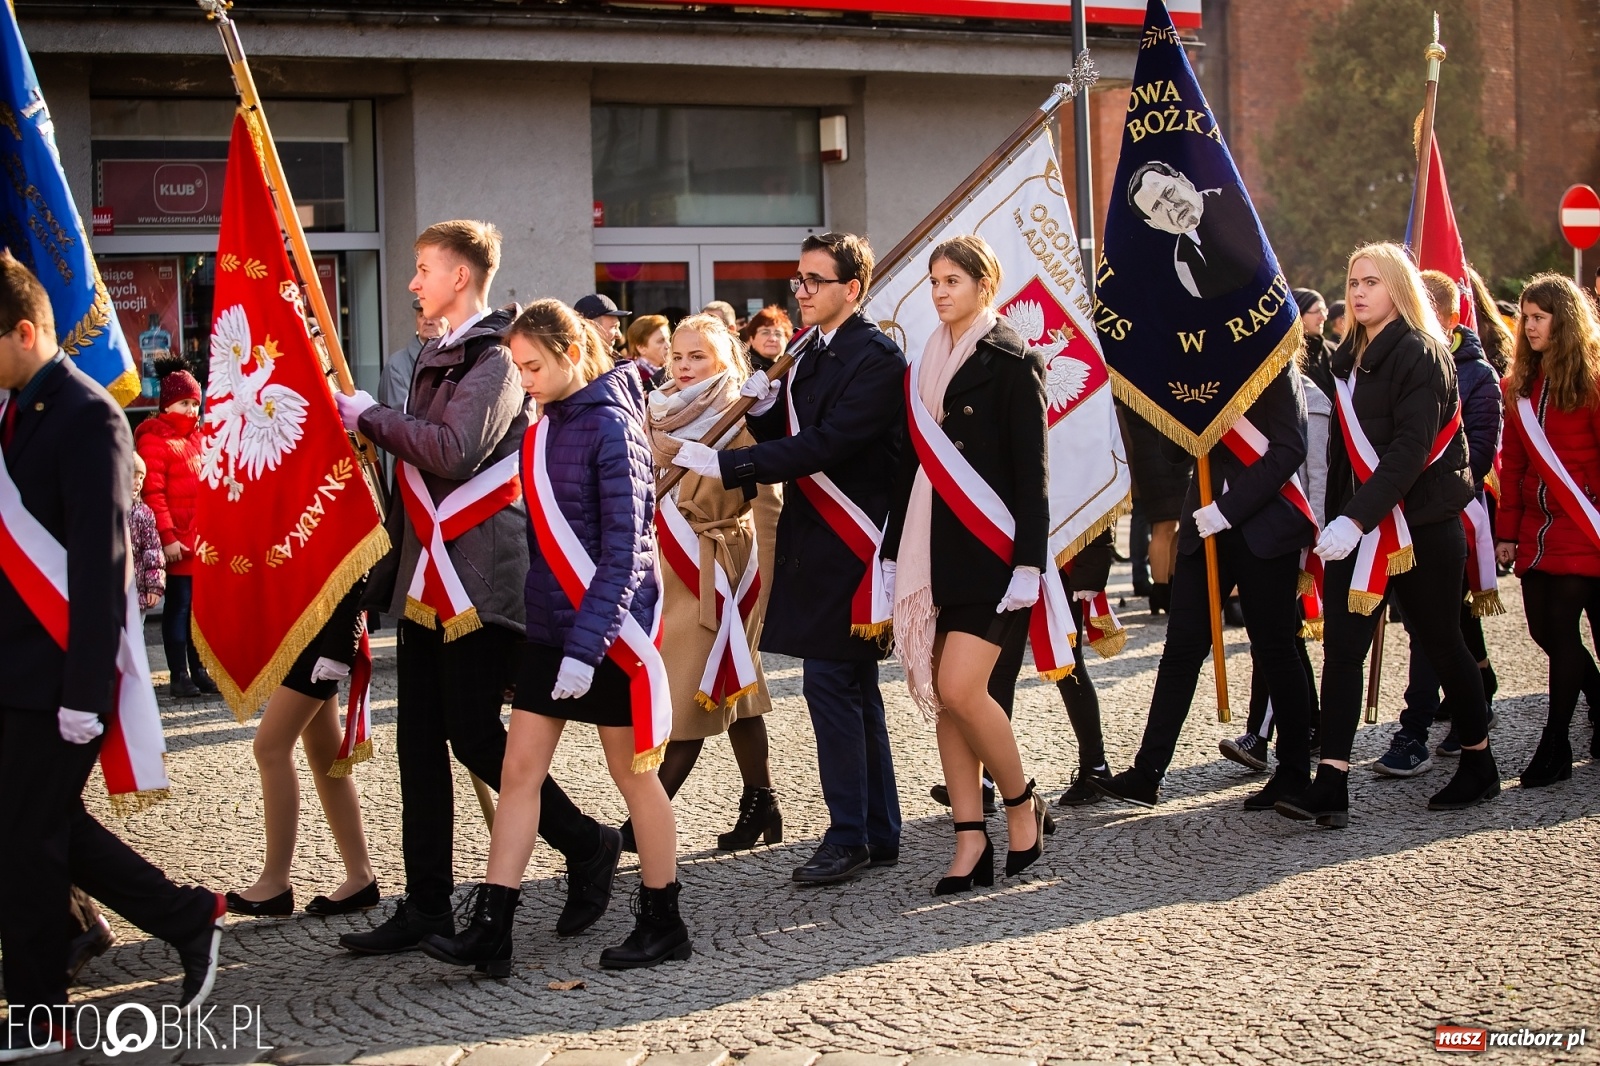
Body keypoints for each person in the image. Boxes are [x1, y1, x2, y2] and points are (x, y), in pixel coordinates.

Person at [333, 221, 619, 956]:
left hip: (482, 581)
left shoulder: (494, 355)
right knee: (419, 746)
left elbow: (453, 453)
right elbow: (415, 472)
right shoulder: (434, 353)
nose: (413, 282)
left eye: (424, 268)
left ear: (461, 276)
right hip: (431, 574)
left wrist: (370, 415)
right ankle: (426, 903)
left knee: (473, 735)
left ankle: (587, 844)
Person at [419, 299, 691, 975]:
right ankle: (492, 927)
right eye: (518, 366)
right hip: (551, 629)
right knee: (518, 773)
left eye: (534, 365)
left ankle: (664, 920)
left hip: (607, 633)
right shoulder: (546, 424)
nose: (526, 379)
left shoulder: (613, 426)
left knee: (634, 778)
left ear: (573, 351)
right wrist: (542, 641)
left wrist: (586, 647)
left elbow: (628, 551)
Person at [0, 251, 226, 1057]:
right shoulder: (19, 409)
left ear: (26, 332)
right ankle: (187, 915)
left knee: (27, 839)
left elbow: (101, 567)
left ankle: (39, 1014)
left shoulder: (87, 416)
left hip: (62, 673)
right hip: (16, 668)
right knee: (40, 826)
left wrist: (83, 692)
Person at [669, 232, 906, 885]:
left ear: (851, 289)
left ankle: (848, 834)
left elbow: (829, 444)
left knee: (833, 685)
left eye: (814, 280)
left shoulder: (877, 357)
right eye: (797, 279)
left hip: (854, 542)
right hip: (816, 540)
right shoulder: (807, 351)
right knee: (853, 691)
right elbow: (796, 434)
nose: (799, 292)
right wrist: (767, 414)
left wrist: (730, 461)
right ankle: (878, 830)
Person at [1277, 242, 1500, 828]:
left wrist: (1354, 519)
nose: (1357, 292)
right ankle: (1332, 783)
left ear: (1398, 289)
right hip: (1362, 526)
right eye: (1352, 281)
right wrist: (1334, 521)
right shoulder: (1348, 355)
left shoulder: (1423, 353)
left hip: (1420, 526)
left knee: (1443, 642)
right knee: (1344, 651)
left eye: (1371, 281)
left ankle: (1479, 761)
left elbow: (1409, 451)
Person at [880, 236, 1050, 894]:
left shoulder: (1013, 360)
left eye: (954, 279)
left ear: (986, 284)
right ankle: (969, 841)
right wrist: (894, 555)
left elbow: (1032, 474)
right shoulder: (924, 363)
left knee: (960, 689)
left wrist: (1029, 564)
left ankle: (1022, 804)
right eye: (934, 281)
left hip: (993, 553)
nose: (941, 291)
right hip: (932, 556)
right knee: (946, 704)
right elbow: (909, 468)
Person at [1094, 365, 1316, 811]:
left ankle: (1293, 773)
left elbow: (1290, 449)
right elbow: (1177, 455)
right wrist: (1176, 409)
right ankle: (1147, 772)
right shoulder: (1202, 368)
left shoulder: (1275, 362)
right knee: (1180, 650)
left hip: (1262, 527)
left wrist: (1230, 509)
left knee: (1274, 649)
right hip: (1204, 529)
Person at [638, 313, 783, 851]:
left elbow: (766, 506)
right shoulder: (656, 410)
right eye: (678, 355)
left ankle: (639, 823)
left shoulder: (740, 414)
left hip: (720, 570)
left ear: (724, 358)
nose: (686, 366)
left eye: (699, 356)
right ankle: (761, 801)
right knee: (735, 685)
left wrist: (758, 593)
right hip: (665, 567)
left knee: (693, 692)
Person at [1373, 270, 1503, 775]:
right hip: (1395, 512)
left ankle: (1416, 731)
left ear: (1450, 318)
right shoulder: (1390, 359)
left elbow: (1480, 453)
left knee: (1437, 631)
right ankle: (1476, 700)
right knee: (1445, 633)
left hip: (1449, 514)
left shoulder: (1476, 375)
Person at [1495, 273, 1600, 781]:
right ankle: (1598, 702)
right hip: (1537, 531)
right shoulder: (1516, 385)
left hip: (1584, 524)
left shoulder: (1593, 380)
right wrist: (1506, 532)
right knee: (1543, 630)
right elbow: (1511, 463)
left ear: (1564, 322)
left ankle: (1555, 744)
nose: (1529, 326)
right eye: (1526, 317)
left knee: (1561, 631)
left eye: (1539, 318)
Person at [224, 580, 379, 918]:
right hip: (303, 626)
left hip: (324, 633)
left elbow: (356, 564)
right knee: (325, 756)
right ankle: (361, 876)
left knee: (270, 748)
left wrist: (339, 648)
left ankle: (275, 882)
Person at [1220, 352, 1330, 773]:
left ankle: (1266, 735)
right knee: (1283, 639)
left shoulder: (1311, 397)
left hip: (1299, 535)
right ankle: (1302, 726)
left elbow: (1315, 475)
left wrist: (1315, 542)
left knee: (1279, 641)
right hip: (1271, 533)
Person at [136, 362, 216, 698]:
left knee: (199, 613)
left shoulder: (197, 440)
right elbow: (153, 494)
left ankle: (199, 669)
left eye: (195, 403)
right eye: (184, 403)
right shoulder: (155, 440)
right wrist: (168, 538)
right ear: (166, 404)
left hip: (200, 543)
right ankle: (178, 673)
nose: (191, 409)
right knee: (179, 608)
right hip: (178, 544)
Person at [1126, 161, 1263, 299]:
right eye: (1157, 207)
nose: (1171, 206)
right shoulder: (1182, 265)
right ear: (1154, 224)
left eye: (1169, 192)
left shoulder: (1239, 200)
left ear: (1183, 180)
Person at [379, 298, 446, 415]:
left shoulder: (460, 358)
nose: (428, 322)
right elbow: (396, 421)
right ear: (416, 322)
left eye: (435, 315)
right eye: (422, 316)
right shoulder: (396, 365)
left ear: (449, 321)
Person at [130, 454, 165, 611]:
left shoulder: (143, 513)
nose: (138, 483)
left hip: (137, 592)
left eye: (141, 478)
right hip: (111, 593)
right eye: (133, 476)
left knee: (136, 634)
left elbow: (153, 551)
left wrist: (154, 587)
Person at [1294, 287, 1336, 399]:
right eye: (1317, 311)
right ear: (1299, 315)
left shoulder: (1334, 351)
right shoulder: (1291, 357)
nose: (1323, 317)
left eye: (1324, 310)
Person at [624, 313, 671, 394]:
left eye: (668, 339)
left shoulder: (674, 372)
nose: (668, 345)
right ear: (641, 348)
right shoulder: (629, 379)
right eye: (661, 341)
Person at [742, 305, 794, 374]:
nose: (772, 339)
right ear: (752, 339)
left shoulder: (792, 369)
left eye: (778, 334)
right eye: (765, 333)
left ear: (787, 340)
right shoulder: (743, 369)